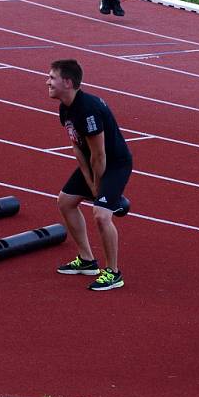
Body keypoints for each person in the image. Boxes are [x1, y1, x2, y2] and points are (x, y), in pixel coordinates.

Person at [47, 59, 132, 291]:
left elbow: (100, 155)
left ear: (67, 82)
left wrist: (98, 187)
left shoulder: (88, 109)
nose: (48, 82)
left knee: (102, 215)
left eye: (52, 78)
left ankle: (114, 273)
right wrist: (89, 181)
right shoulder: (65, 108)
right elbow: (77, 147)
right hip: (93, 161)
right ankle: (87, 260)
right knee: (65, 202)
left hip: (115, 164)